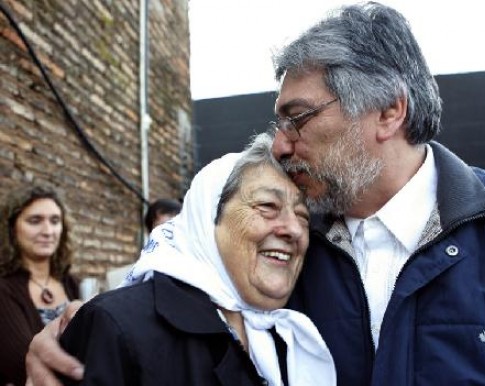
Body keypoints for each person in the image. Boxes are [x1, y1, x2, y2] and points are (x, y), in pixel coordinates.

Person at [25, 2, 485, 385]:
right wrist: (79, 334)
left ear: (390, 111)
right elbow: (175, 302)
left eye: (297, 118)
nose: (279, 144)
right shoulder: (280, 255)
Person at [56, 133, 336, 385]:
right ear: (207, 219)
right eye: (267, 206)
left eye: (302, 216)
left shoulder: (303, 333)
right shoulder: (116, 325)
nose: (293, 229)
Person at [0, 185, 80, 386]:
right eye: (35, 221)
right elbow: (19, 363)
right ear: (12, 228)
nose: (48, 231)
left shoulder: (73, 283)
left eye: (55, 221)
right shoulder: (4, 288)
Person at [105, 198, 182, 290]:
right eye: (164, 229)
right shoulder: (121, 279)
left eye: (176, 227)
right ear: (151, 233)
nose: (171, 235)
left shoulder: (196, 276)